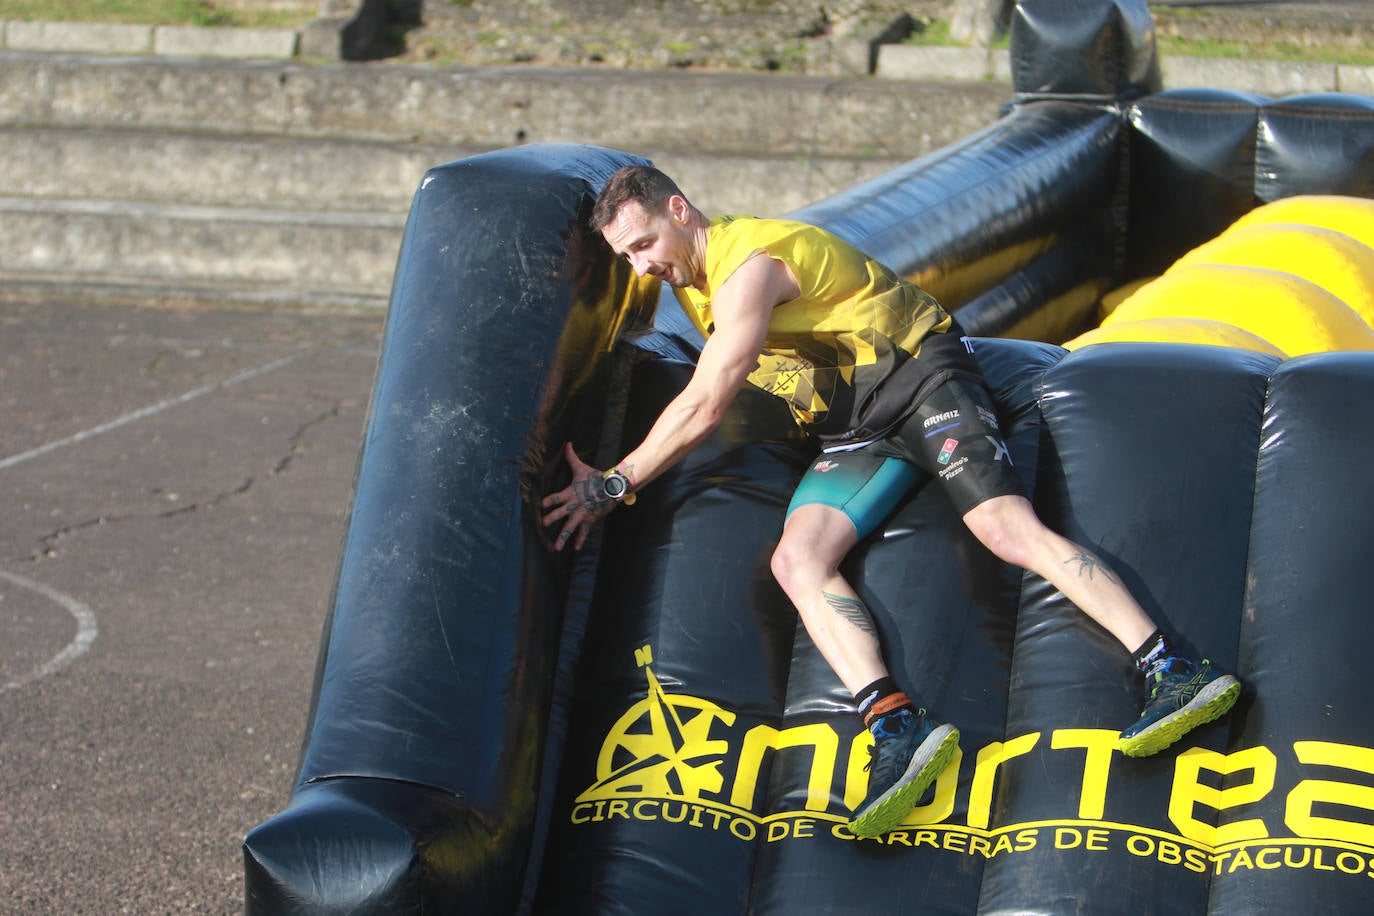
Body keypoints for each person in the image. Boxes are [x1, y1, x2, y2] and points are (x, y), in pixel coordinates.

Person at [540, 165, 1241, 838]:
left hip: (924, 382)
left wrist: (614, 482)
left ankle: (1173, 668)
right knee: (797, 561)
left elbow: (711, 395)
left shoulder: (749, 260)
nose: (639, 269)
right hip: (857, 432)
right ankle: (897, 724)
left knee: (1005, 528)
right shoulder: (696, 288)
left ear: (679, 212)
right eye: (624, 257)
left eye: (642, 246)